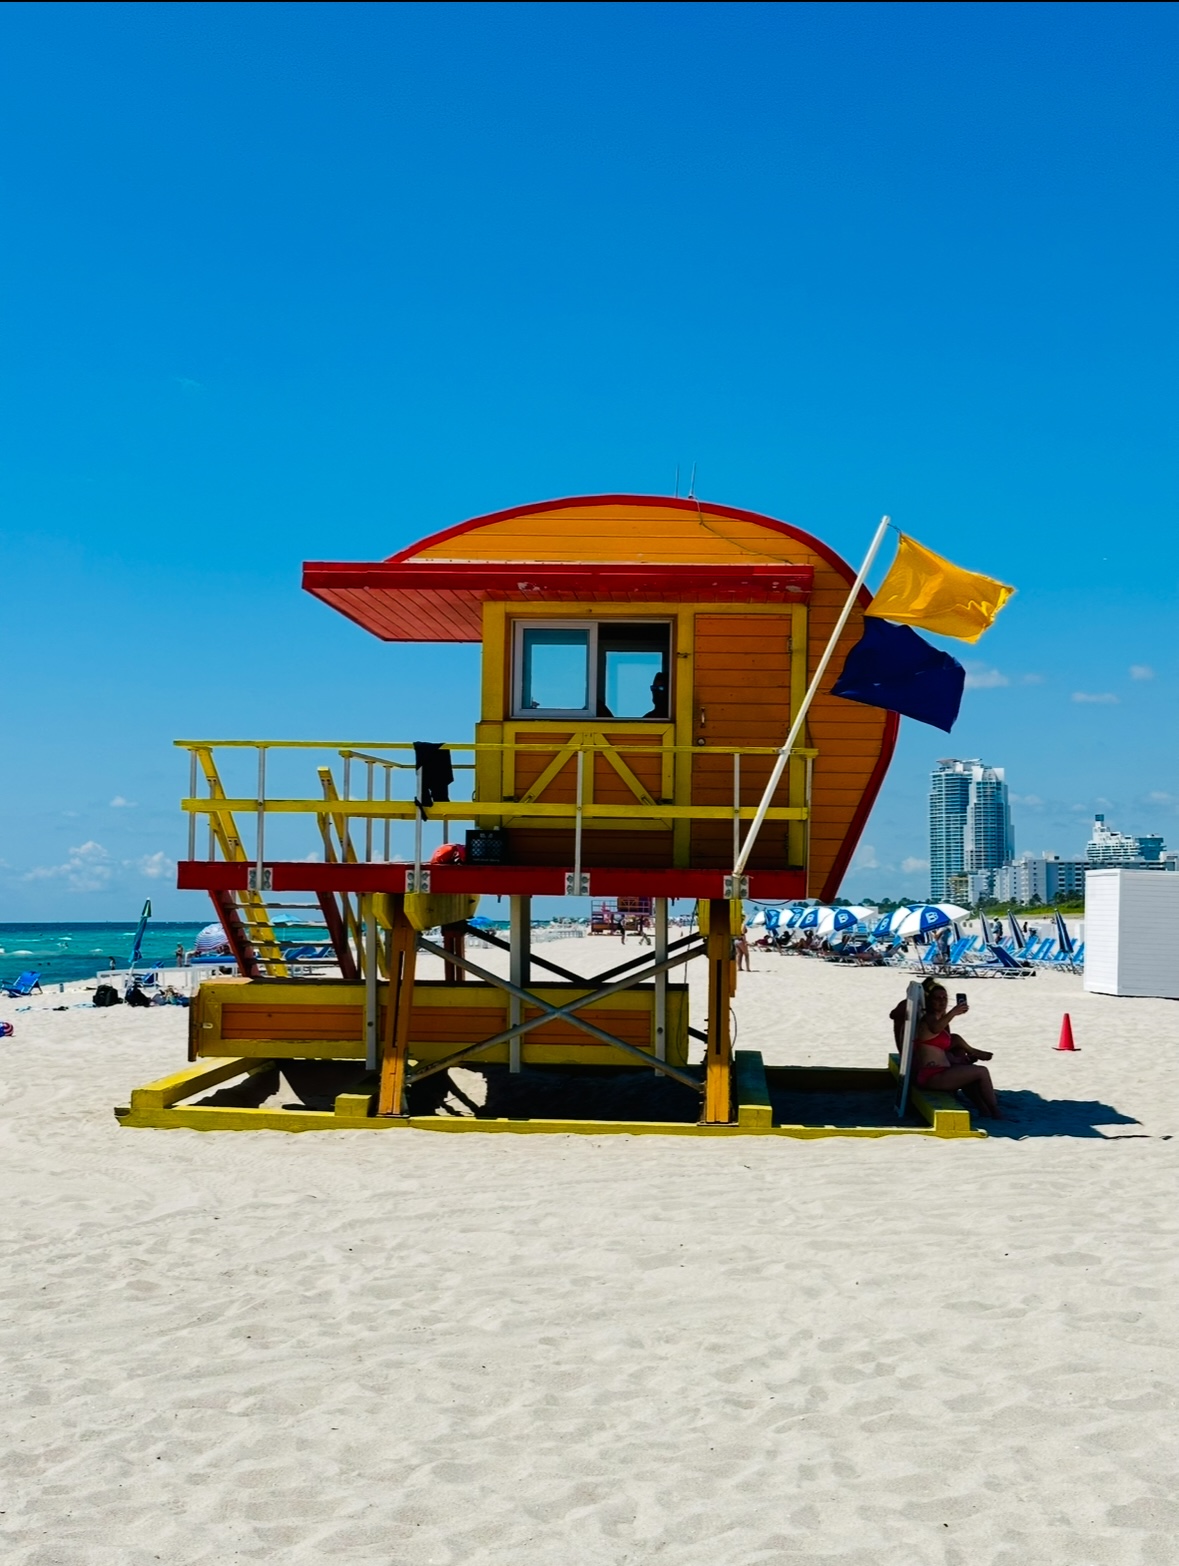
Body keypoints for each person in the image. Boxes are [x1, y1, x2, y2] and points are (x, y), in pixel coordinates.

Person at [907, 979, 1004, 1119]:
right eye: (937, 998)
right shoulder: (929, 1018)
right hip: (932, 1075)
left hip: (940, 1070)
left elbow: (941, 1050)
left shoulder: (940, 1018)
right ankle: (996, 1111)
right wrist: (953, 1012)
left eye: (945, 998)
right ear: (930, 1001)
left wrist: (960, 1059)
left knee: (968, 1069)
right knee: (982, 1072)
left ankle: (984, 1108)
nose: (942, 1001)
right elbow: (935, 1028)